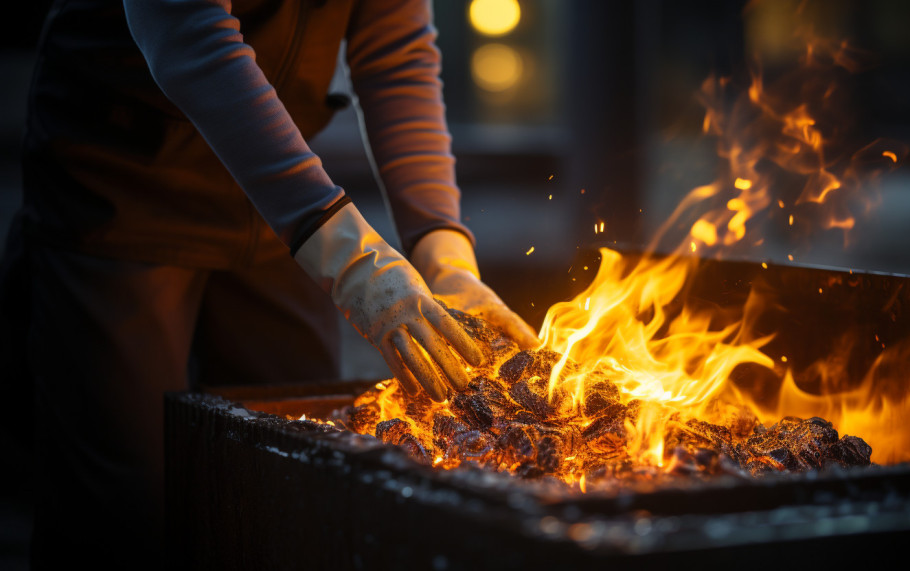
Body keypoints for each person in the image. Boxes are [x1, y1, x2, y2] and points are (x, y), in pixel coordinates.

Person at [7, 0, 537, 566]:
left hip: (276, 211)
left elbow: (396, 53)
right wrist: (349, 255)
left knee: (291, 491)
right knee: (123, 513)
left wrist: (442, 251)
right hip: (122, 191)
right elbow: (189, 37)